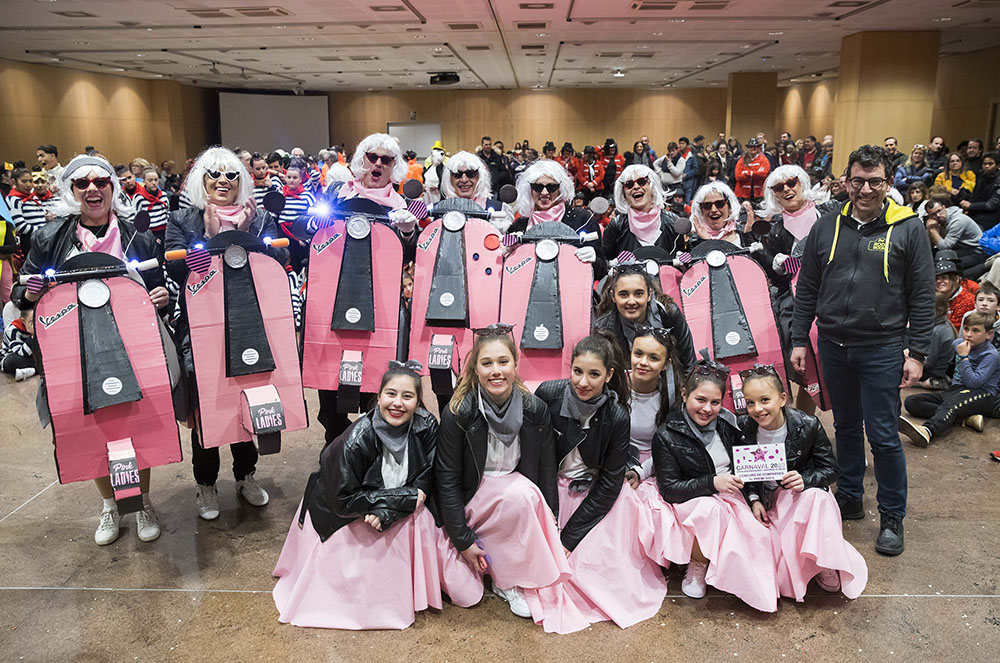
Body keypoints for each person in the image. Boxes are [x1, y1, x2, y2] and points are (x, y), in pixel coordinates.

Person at [12, 154, 169, 545]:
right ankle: (109, 507)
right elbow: (22, 289)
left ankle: (142, 500)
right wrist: (28, 294)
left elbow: (157, 284)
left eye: (101, 181)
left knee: (135, 419)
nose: (93, 189)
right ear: (71, 191)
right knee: (92, 424)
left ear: (113, 188)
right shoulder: (50, 236)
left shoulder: (137, 235)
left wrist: (161, 296)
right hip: (74, 345)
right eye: (83, 184)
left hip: (132, 341)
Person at [791, 145, 935, 556]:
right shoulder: (827, 225)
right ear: (846, 181)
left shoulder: (907, 228)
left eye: (875, 181)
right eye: (858, 181)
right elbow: (808, 287)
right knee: (846, 428)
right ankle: (850, 497)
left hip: (882, 347)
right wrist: (800, 339)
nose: (866, 189)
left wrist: (918, 352)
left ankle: (892, 515)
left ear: (888, 183)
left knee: (884, 434)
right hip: (833, 345)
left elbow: (922, 296)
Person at [272, 361, 481, 629]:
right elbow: (343, 500)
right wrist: (402, 500)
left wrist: (391, 508)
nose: (397, 403)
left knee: (422, 528)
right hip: (343, 512)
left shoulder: (426, 425)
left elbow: (427, 474)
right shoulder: (356, 439)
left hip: (384, 503)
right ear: (378, 396)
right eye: (391, 394)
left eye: (407, 396)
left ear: (418, 402)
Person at [165, 146, 281, 521]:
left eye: (231, 175)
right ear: (201, 180)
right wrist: (210, 243)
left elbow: (281, 264)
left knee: (248, 397)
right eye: (214, 174)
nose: (223, 182)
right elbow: (176, 275)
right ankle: (206, 483)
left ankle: (245, 475)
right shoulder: (183, 219)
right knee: (207, 406)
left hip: (252, 322)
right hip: (201, 326)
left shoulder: (259, 217)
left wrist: (244, 236)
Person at [530, 332, 667, 632]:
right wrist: (552, 518)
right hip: (550, 488)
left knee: (597, 558)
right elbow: (536, 460)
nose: (583, 382)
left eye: (594, 374)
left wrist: (568, 538)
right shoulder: (548, 395)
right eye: (578, 372)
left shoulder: (617, 416)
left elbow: (609, 483)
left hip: (592, 494)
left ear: (610, 375)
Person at [434, 326, 570, 621]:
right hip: (472, 496)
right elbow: (446, 479)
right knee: (464, 594)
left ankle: (510, 580)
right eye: (487, 363)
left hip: (513, 492)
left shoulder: (535, 409)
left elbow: (546, 469)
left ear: (515, 364)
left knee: (522, 495)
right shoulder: (459, 412)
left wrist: (550, 518)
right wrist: (462, 540)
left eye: (503, 362)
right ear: (475, 369)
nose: (496, 371)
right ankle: (489, 560)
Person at [650, 360, 778, 612]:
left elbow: (747, 467)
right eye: (700, 400)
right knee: (710, 511)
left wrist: (753, 497)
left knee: (762, 538)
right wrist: (712, 483)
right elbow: (670, 489)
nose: (707, 409)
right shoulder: (666, 435)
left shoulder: (728, 425)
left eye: (715, 403)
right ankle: (697, 566)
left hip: (731, 498)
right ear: (685, 394)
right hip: (691, 502)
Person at [739, 366, 868, 601]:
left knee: (817, 497)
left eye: (764, 400)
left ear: (782, 399)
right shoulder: (744, 428)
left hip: (800, 496)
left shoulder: (808, 425)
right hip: (769, 500)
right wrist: (754, 499)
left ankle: (825, 560)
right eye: (750, 403)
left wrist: (805, 479)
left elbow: (830, 470)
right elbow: (744, 473)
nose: (757, 409)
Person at [758, 165, 840, 414]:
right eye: (779, 188)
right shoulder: (775, 230)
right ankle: (807, 424)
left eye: (791, 183)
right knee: (805, 368)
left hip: (835, 299)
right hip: (796, 305)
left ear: (802, 182)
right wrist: (778, 264)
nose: (787, 190)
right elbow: (775, 279)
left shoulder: (831, 211)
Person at [900, 311, 999, 445]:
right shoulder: (959, 344)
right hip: (956, 390)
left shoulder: (991, 355)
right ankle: (966, 419)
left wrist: (964, 358)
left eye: (976, 331)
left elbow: (974, 383)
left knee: (951, 405)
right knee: (912, 402)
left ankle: (928, 431)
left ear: (989, 334)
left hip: (982, 394)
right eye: (966, 329)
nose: (969, 334)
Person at [593, 262, 695, 372]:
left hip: (670, 385)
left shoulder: (669, 314)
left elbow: (689, 365)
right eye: (623, 294)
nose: (631, 301)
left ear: (649, 294)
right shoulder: (603, 327)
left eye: (638, 294)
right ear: (613, 296)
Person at [509, 159, 605, 277]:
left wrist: (593, 261)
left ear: (561, 188)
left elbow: (602, 270)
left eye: (551, 187)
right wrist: (508, 256)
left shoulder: (583, 219)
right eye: (538, 187)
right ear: (530, 189)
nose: (544, 192)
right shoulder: (520, 224)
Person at [601, 164, 682, 259]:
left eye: (642, 182)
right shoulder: (617, 225)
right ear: (624, 195)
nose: (636, 187)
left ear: (652, 188)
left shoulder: (673, 222)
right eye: (629, 184)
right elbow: (604, 261)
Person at [924, 200, 983, 270]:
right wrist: (931, 230)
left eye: (939, 211)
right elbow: (929, 247)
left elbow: (945, 248)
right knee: (927, 256)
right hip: (959, 248)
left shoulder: (958, 221)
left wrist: (933, 230)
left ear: (944, 207)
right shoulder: (938, 221)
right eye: (933, 214)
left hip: (975, 251)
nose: (938, 215)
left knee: (941, 260)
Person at [960, 151, 1000, 230]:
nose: (987, 166)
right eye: (984, 164)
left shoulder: (998, 181)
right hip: (976, 212)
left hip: (992, 217)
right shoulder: (981, 177)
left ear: (998, 165)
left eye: (990, 164)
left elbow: (991, 205)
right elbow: (974, 196)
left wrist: (970, 206)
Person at [934, 259, 978, 330]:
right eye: (936, 278)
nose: (939, 281)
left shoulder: (969, 301)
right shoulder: (932, 298)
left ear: (956, 279)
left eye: (944, 278)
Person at [134, 167, 170, 245]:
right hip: (149, 233)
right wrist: (150, 237)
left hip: (165, 231)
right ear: (144, 181)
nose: (153, 183)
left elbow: (167, 213)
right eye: (150, 180)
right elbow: (138, 221)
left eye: (156, 180)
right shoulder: (139, 198)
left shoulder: (163, 195)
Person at [732, 137, 770, 204]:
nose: (753, 148)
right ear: (748, 148)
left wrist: (748, 173)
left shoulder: (763, 160)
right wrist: (757, 173)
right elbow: (738, 176)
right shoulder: (742, 160)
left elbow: (764, 174)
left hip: (759, 194)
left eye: (755, 146)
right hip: (742, 194)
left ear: (758, 148)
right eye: (751, 147)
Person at [1, 308, 35, 381]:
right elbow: (22, 353)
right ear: (23, 320)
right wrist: (33, 336)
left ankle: (31, 371)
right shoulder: (13, 330)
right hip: (14, 355)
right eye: (32, 321)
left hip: (32, 354)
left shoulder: (40, 324)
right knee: (10, 362)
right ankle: (36, 369)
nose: (35, 323)